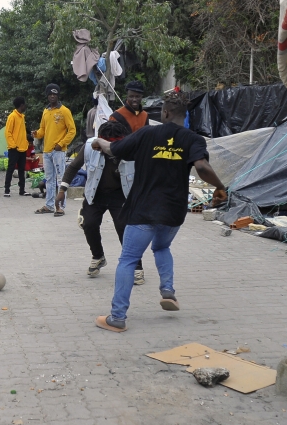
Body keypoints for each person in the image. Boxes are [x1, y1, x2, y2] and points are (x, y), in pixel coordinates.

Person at [91, 91, 228, 333]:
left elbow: (114, 149)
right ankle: (168, 291)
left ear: (164, 112)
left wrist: (98, 142)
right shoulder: (194, 140)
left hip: (143, 211)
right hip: (173, 213)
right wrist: (219, 187)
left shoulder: (146, 134)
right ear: (185, 116)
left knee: (128, 260)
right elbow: (202, 166)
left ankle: (117, 317)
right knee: (161, 247)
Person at [57, 120, 145, 283]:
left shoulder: (132, 150)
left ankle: (136, 265)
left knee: (124, 229)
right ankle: (98, 257)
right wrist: (62, 189)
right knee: (88, 224)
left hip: (120, 195)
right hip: (95, 194)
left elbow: (145, 174)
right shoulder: (91, 146)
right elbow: (73, 166)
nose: (108, 149)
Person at [32, 84, 75, 216]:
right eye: (50, 94)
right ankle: (49, 205)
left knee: (61, 179)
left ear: (58, 96)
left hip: (59, 151)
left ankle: (60, 207)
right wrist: (36, 134)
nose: (52, 96)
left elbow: (72, 130)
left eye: (54, 94)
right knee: (49, 179)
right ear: (47, 95)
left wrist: (62, 143)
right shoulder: (45, 111)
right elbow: (43, 130)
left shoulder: (64, 111)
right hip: (47, 151)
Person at [4, 97, 29, 197]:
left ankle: (22, 190)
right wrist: (13, 145)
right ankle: (7, 190)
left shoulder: (22, 116)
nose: (25, 106)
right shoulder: (12, 116)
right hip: (14, 148)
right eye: (24, 104)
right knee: (11, 169)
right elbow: (8, 132)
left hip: (23, 148)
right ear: (21, 105)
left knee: (22, 170)